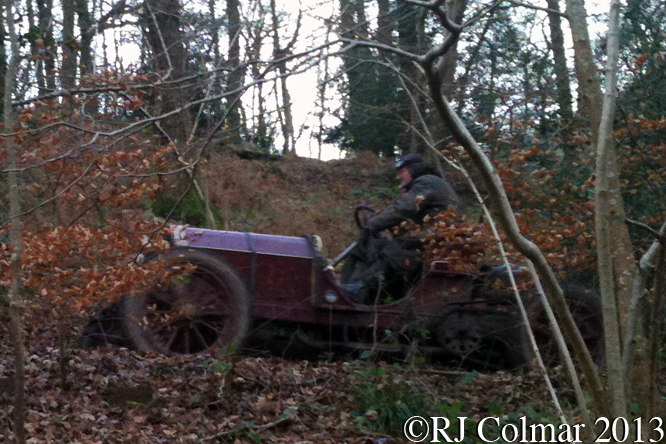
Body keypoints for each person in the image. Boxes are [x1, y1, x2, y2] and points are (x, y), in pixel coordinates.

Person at [340, 153, 461, 303]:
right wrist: (382, 221)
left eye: (401, 172)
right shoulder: (430, 185)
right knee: (379, 245)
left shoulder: (427, 181)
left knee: (398, 247)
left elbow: (403, 209)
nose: (398, 177)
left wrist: (374, 223)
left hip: (439, 238)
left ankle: (362, 288)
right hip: (436, 237)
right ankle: (353, 288)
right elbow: (404, 215)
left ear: (413, 169)